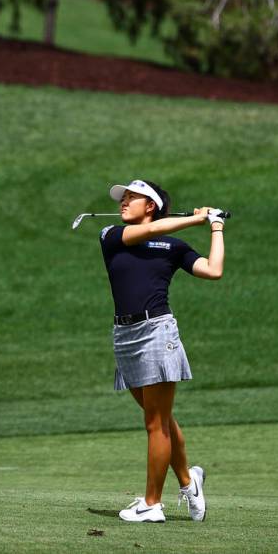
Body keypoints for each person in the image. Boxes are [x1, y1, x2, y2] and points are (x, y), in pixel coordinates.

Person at [97, 179, 226, 523]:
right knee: (162, 419)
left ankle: (152, 504)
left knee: (155, 423)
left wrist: (215, 226)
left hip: (157, 331)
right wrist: (196, 219)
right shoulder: (111, 235)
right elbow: (150, 232)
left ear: (150, 205)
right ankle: (189, 480)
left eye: (131, 198)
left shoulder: (173, 247)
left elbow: (213, 271)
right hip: (124, 334)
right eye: (122, 198)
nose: (123, 203)